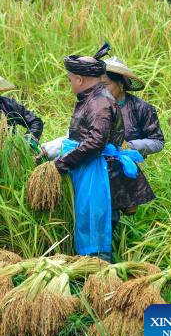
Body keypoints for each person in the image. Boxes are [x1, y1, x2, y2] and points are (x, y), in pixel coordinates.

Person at [53, 42, 130, 262]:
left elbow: (96, 141)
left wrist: (62, 163)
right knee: (88, 221)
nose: (70, 84)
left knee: (97, 225)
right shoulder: (92, 98)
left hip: (100, 174)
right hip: (89, 170)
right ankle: (91, 270)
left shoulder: (100, 103)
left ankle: (100, 273)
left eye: (70, 80)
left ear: (79, 79)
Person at [102, 56, 158, 215]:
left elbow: (157, 141)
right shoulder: (96, 106)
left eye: (105, 85)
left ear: (121, 84)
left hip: (128, 166)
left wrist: (129, 146)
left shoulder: (142, 108)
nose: (100, 90)